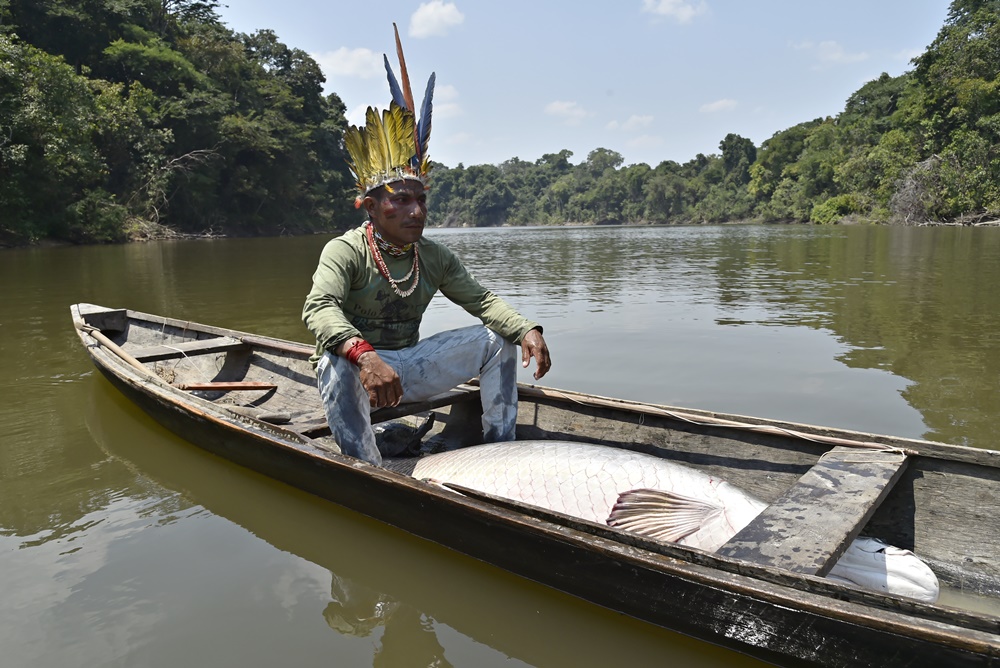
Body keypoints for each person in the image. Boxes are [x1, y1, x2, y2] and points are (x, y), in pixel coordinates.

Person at [302, 27, 550, 466]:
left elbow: (483, 301)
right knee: (335, 363)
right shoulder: (345, 251)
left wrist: (527, 328)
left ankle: (501, 452)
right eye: (401, 200)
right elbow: (319, 309)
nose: (416, 211)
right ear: (372, 208)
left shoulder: (432, 256)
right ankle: (367, 468)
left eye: (421, 200)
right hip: (357, 370)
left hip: (405, 369)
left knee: (498, 339)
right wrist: (364, 356)